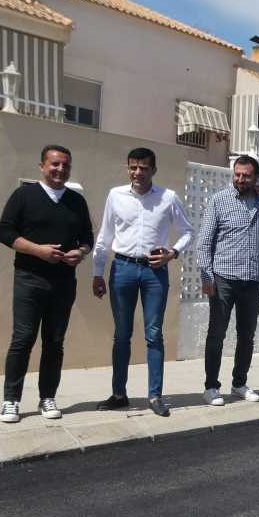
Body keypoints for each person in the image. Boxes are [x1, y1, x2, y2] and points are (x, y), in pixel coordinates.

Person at [91, 148, 194, 417]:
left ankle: (155, 395)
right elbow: (104, 235)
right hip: (122, 268)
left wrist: (172, 253)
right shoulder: (116, 195)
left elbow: (187, 232)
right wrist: (97, 272)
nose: (138, 173)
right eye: (133, 167)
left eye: (144, 168)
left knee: (153, 335)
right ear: (128, 168)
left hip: (153, 272)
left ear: (153, 170)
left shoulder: (167, 198)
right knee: (121, 334)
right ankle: (119, 394)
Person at [0, 145, 93, 423]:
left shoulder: (76, 201)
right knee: (23, 339)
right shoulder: (24, 195)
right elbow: (4, 232)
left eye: (65, 165)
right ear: (42, 166)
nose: (60, 169)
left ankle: (47, 397)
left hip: (63, 283)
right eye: (55, 164)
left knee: (54, 342)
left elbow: (88, 237)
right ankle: (11, 400)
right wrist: (38, 250)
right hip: (30, 279)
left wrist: (81, 253)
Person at [195, 155, 259, 406]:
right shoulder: (219, 201)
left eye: (246, 175)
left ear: (256, 177)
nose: (241, 179)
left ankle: (239, 383)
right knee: (216, 335)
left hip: (252, 282)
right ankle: (211, 387)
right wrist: (206, 276)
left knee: (247, 336)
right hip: (223, 280)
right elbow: (204, 242)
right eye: (238, 174)